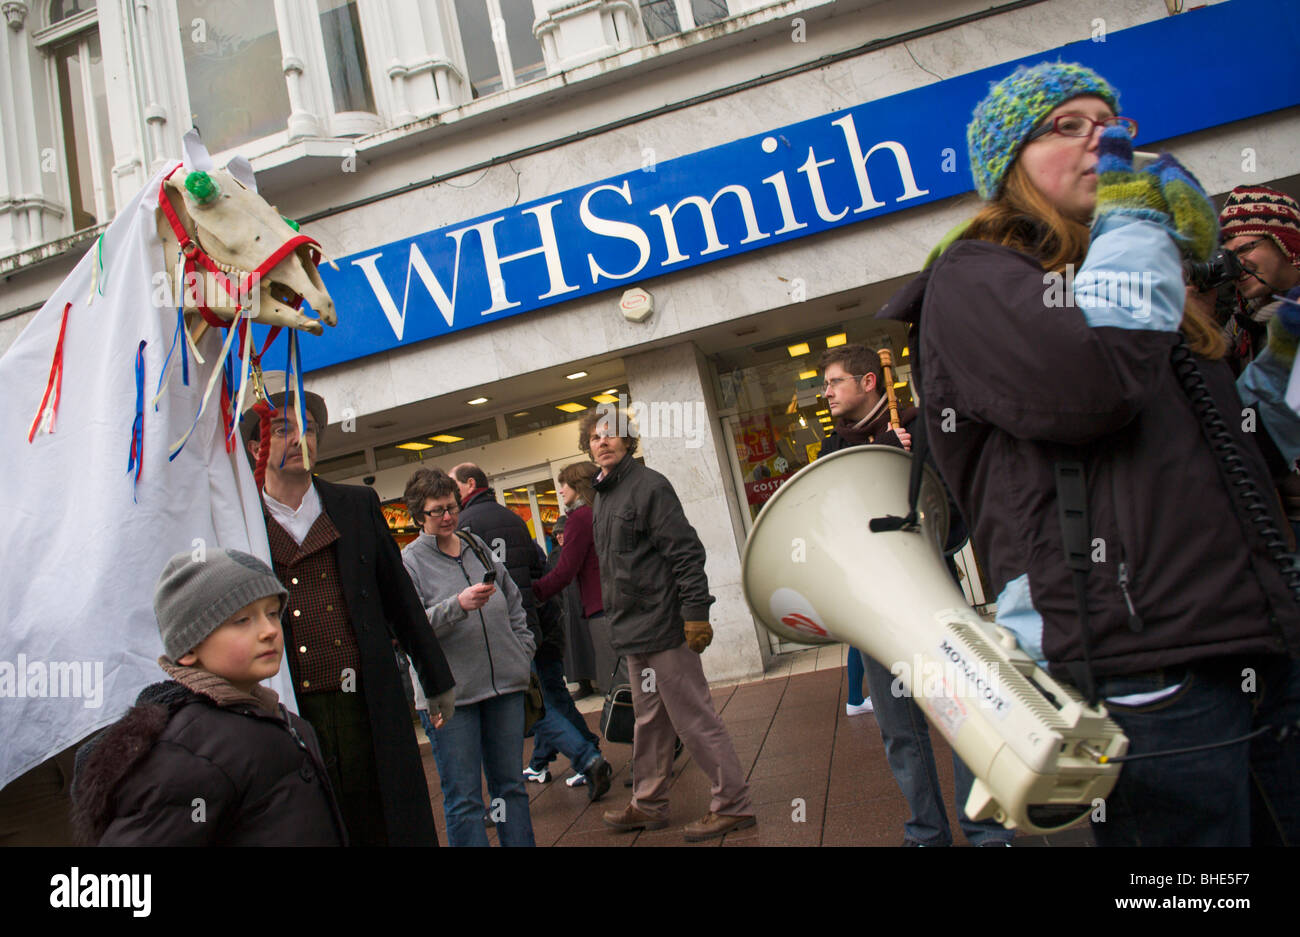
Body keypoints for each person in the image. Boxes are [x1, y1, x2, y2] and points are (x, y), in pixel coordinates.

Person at [880, 61, 1300, 846]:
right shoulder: (973, 278)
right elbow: (1093, 381)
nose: (1101, 139)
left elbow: (1244, 461)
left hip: (1250, 639)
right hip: (1138, 666)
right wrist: (1138, 224)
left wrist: (1278, 370)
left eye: (1111, 124)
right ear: (1010, 168)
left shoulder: (1127, 273)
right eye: (1068, 126)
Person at [240, 374, 455, 847]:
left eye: (311, 428)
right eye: (281, 428)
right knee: (314, 825)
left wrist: (436, 679)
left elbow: (400, 598)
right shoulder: (240, 522)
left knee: (388, 821)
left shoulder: (356, 504)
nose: (301, 438)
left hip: (368, 702)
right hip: (290, 708)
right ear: (254, 446)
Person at [818, 343, 1014, 847]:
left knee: (962, 718)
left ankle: (985, 829)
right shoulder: (832, 449)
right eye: (825, 384)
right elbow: (830, 522)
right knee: (901, 732)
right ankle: (926, 832)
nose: (826, 392)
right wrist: (879, 456)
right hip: (873, 610)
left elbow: (953, 518)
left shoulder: (922, 429)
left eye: (835, 381)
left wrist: (912, 473)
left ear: (868, 382)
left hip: (931, 600)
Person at [71, 549, 346, 845]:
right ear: (189, 648)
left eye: (271, 613)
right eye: (242, 620)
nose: (269, 631)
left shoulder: (284, 722)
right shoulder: (190, 753)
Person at [580, 407, 756, 841]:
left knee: (693, 719)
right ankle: (649, 803)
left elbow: (686, 553)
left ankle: (733, 804)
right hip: (634, 633)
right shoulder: (602, 495)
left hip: (665, 629)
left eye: (611, 435)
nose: (603, 442)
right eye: (595, 437)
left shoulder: (650, 487)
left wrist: (696, 614)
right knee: (650, 722)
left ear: (628, 441)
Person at [401, 468, 536, 846]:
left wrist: (521, 651)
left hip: (503, 687)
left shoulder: (476, 545)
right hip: (450, 697)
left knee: (510, 787)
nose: (447, 517)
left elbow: (513, 601)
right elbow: (407, 628)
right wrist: (456, 605)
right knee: (464, 799)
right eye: (436, 511)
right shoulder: (409, 562)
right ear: (418, 515)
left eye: (451, 507)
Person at [535, 465, 603, 697]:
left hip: (601, 608)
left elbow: (565, 571)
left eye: (564, 485)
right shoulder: (602, 510)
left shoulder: (579, 519)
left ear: (578, 485)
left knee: (621, 684)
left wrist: (532, 593)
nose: (561, 491)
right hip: (621, 603)